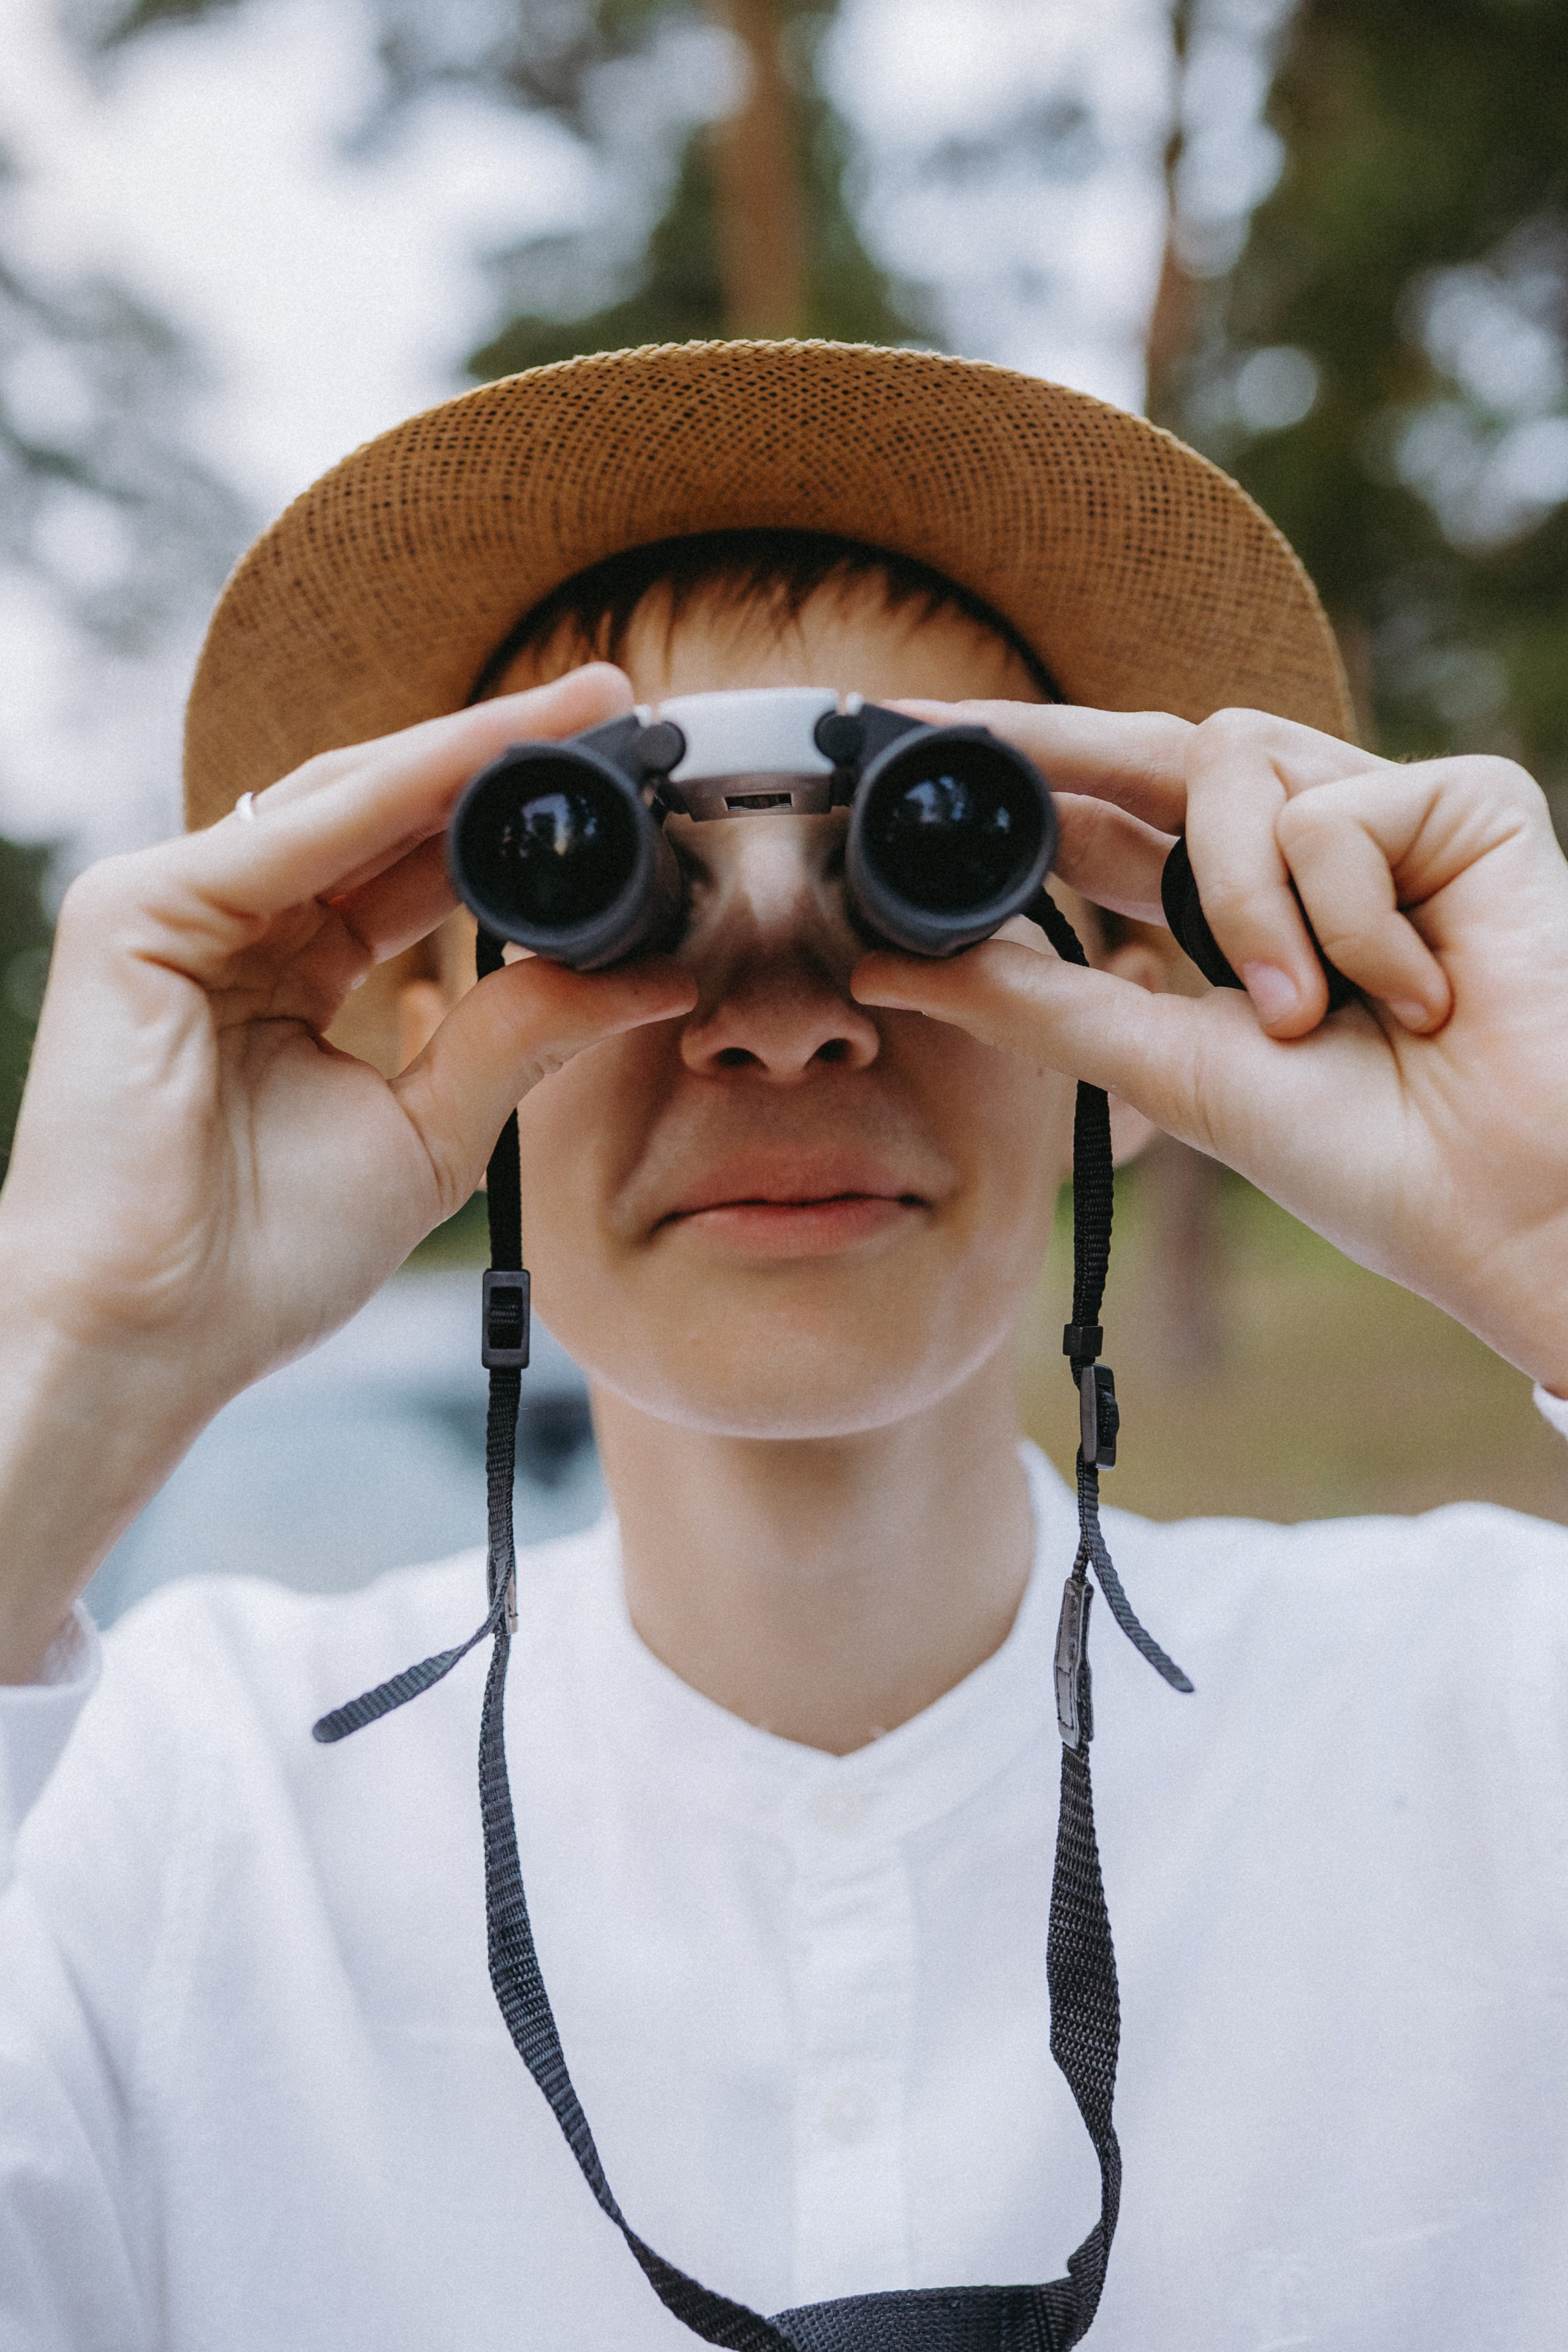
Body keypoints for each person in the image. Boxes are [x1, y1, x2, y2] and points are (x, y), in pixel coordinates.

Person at [2, 339, 1566, 2351]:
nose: (784, 1018)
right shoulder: (169, 1828)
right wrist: (70, 1359)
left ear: (1150, 1004)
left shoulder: (1498, 1719)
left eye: (926, 869)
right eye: (593, 894)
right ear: (418, 1025)